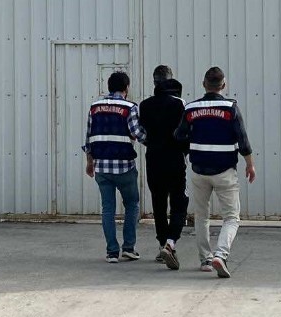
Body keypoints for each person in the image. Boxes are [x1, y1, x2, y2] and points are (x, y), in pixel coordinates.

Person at [174, 66, 256, 278]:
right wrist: (250, 164)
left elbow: (179, 135)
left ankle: (206, 259)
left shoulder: (191, 109)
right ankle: (221, 254)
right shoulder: (230, 108)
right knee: (231, 217)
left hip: (199, 170)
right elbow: (243, 139)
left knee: (201, 215)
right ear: (223, 85)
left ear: (204, 84)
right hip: (224, 171)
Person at [83, 71, 147, 263]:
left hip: (102, 167)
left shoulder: (94, 107)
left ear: (109, 87)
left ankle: (112, 252)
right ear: (126, 88)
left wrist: (89, 162)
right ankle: (128, 247)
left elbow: (88, 137)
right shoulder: (129, 107)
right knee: (132, 205)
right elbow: (138, 133)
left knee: (108, 209)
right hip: (125, 166)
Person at [139, 65, 188, 270]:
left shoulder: (144, 105)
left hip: (154, 159)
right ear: (171, 80)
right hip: (175, 158)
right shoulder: (180, 103)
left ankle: (161, 244)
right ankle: (171, 242)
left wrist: (152, 145)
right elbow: (184, 131)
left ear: (154, 81)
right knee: (179, 202)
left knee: (159, 203)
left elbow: (142, 133)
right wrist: (185, 152)